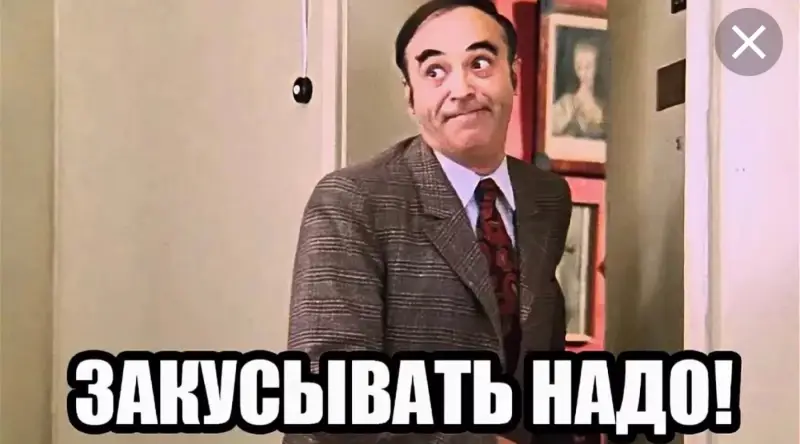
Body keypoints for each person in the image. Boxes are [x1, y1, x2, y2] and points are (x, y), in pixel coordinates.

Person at [285, 1, 572, 443]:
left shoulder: (546, 196)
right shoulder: (352, 200)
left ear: (514, 75)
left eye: (480, 63)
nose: (461, 89)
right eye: (435, 71)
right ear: (410, 97)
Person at [551, 40, 605, 139]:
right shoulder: (567, 102)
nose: (583, 73)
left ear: (597, 67)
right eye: (579, 67)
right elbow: (549, 125)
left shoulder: (604, 106)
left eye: (588, 67)